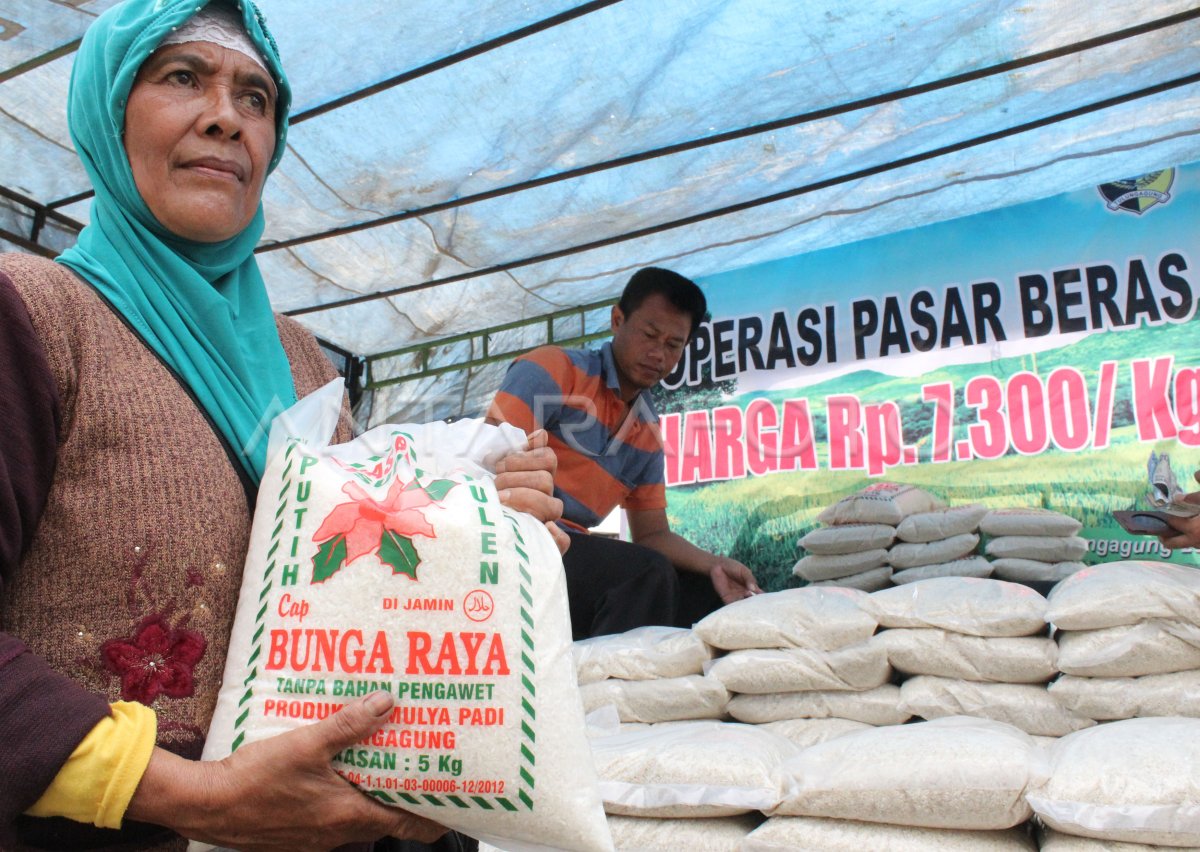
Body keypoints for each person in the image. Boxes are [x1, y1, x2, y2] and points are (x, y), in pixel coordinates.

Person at [0, 2, 562, 851]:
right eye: (181, 76)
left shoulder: (302, 362)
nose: (227, 116)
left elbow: (359, 583)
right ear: (106, 110)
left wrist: (485, 527)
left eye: (256, 97)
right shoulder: (35, 315)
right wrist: (199, 796)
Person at [487, 266, 762, 640]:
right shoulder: (554, 369)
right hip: (508, 539)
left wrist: (715, 565)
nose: (658, 354)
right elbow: (487, 466)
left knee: (706, 594)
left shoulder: (647, 433)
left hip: (568, 551)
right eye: (650, 334)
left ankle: (657, 693)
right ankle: (607, 689)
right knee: (644, 574)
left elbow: (652, 534)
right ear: (618, 320)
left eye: (672, 345)